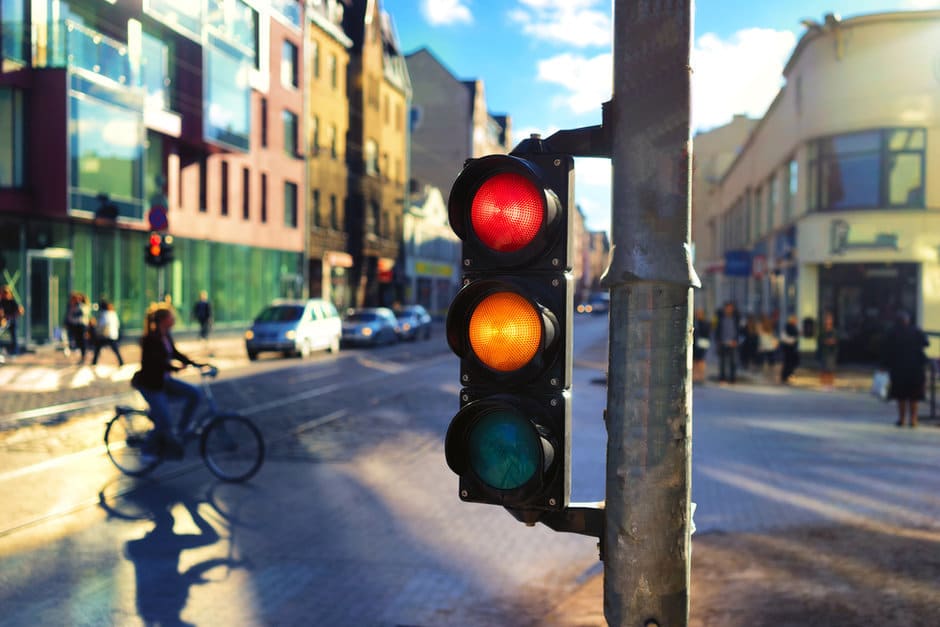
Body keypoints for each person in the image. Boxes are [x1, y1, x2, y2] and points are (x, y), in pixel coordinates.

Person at [131, 305, 203, 457]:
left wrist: (195, 363)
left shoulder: (166, 335)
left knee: (195, 394)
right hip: (151, 385)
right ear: (164, 320)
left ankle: (182, 429)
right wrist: (173, 368)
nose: (174, 319)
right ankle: (147, 450)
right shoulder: (150, 339)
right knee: (164, 421)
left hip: (165, 381)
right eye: (171, 317)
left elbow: (175, 353)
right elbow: (152, 363)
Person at [882, 311, 928, 428]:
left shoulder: (892, 332)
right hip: (915, 368)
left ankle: (902, 419)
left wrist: (884, 365)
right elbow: (926, 343)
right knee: (914, 396)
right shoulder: (916, 331)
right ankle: (913, 420)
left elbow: (886, 349)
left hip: (898, 368)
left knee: (901, 396)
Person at [91, 298, 124, 366]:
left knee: (98, 347)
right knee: (114, 349)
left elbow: (101, 325)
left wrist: (96, 329)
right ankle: (121, 361)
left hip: (104, 335)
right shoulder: (113, 313)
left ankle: (94, 362)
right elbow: (117, 324)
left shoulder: (103, 314)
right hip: (113, 334)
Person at [715, 301, 740, 383]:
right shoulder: (720, 318)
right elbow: (717, 330)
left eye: (730, 308)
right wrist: (718, 340)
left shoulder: (736, 318)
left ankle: (732, 379)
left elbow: (738, 330)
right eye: (727, 308)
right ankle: (722, 378)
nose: (729, 309)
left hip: (733, 342)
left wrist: (736, 340)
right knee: (722, 361)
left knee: (733, 361)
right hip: (723, 342)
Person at [65, 292, 91, 363]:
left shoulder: (83, 306)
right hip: (74, 325)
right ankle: (82, 356)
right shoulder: (72, 306)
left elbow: (81, 313)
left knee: (82, 341)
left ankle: (83, 356)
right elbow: (69, 316)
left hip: (81, 326)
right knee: (77, 341)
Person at [0, 284, 24, 356]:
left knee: (14, 335)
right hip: (5, 320)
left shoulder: (12, 301)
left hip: (12, 320)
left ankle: (15, 351)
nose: (5, 294)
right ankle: (2, 349)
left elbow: (19, 311)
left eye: (6, 292)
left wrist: (9, 317)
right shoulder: (2, 301)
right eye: (3, 293)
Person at [818, 311, 838, 390]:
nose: (828, 321)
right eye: (827, 319)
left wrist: (833, 342)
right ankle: (824, 384)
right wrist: (826, 341)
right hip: (824, 352)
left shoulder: (834, 331)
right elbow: (820, 340)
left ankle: (830, 384)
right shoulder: (822, 331)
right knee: (824, 368)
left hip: (831, 352)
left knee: (831, 368)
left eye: (830, 319)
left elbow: (836, 340)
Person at [779, 314, 801, 384]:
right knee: (789, 363)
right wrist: (794, 339)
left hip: (791, 348)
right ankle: (785, 377)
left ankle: (787, 376)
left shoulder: (792, 326)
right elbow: (785, 337)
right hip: (789, 348)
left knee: (791, 362)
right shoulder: (789, 326)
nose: (796, 321)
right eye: (795, 320)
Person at [757, 316, 780, 380]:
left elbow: (761, 338)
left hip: (765, 347)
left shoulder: (761, 330)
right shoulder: (770, 330)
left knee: (765, 361)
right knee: (771, 361)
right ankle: (771, 374)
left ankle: (766, 375)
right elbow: (774, 338)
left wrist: (760, 346)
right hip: (771, 347)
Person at [692, 307, 711, 384]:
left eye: (700, 313)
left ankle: (701, 377)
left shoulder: (705, 323)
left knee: (701, 360)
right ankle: (694, 377)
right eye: (697, 313)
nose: (698, 315)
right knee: (694, 360)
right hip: (694, 343)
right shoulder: (694, 321)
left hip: (703, 343)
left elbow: (707, 334)